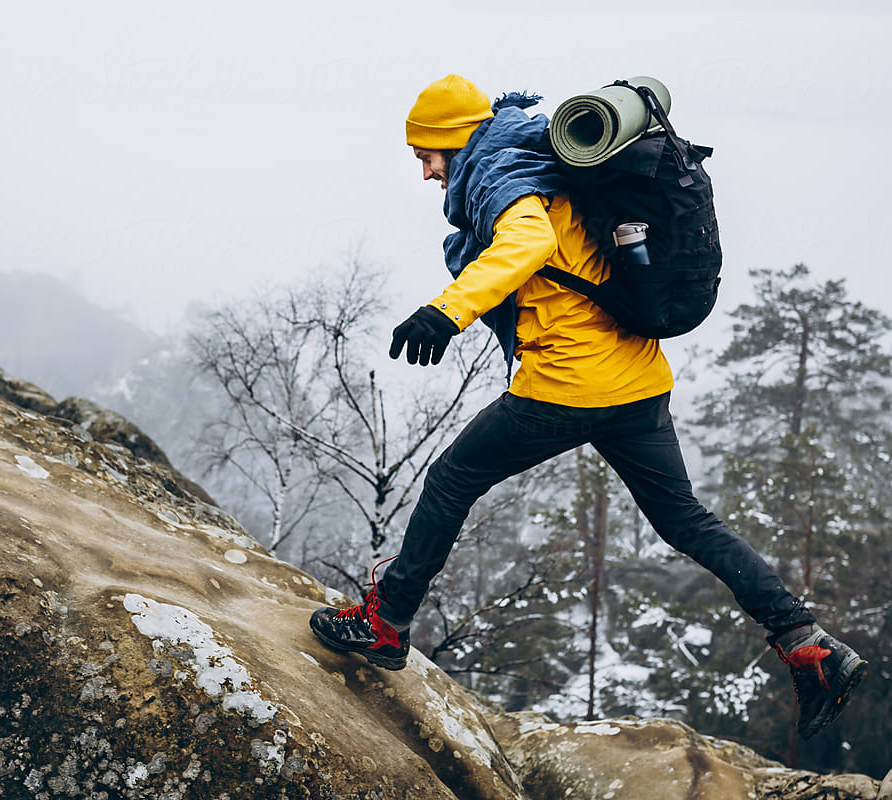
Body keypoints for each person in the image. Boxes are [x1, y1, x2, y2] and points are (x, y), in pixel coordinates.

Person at [309, 74, 867, 740]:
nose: (427, 171)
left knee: (452, 479)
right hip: (638, 382)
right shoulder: (538, 155)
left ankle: (385, 624)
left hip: (568, 387)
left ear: (458, 143)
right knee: (685, 519)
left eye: (429, 155)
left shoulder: (502, 179)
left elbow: (527, 245)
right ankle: (808, 643)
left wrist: (445, 311)